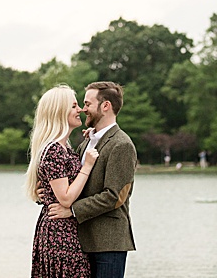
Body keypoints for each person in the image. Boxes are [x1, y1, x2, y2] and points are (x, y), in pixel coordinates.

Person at [47, 81, 137, 278]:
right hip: (81, 240)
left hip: (108, 243)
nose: (83, 109)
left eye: (87, 104)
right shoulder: (88, 141)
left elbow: (115, 196)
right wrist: (46, 192)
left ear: (105, 106)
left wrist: (71, 210)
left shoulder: (121, 144)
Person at [26, 85, 99, 278]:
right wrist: (87, 166)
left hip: (66, 229)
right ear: (59, 112)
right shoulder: (54, 150)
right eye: (74, 106)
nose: (80, 110)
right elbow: (65, 198)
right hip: (60, 234)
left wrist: (91, 140)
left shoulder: (64, 147)